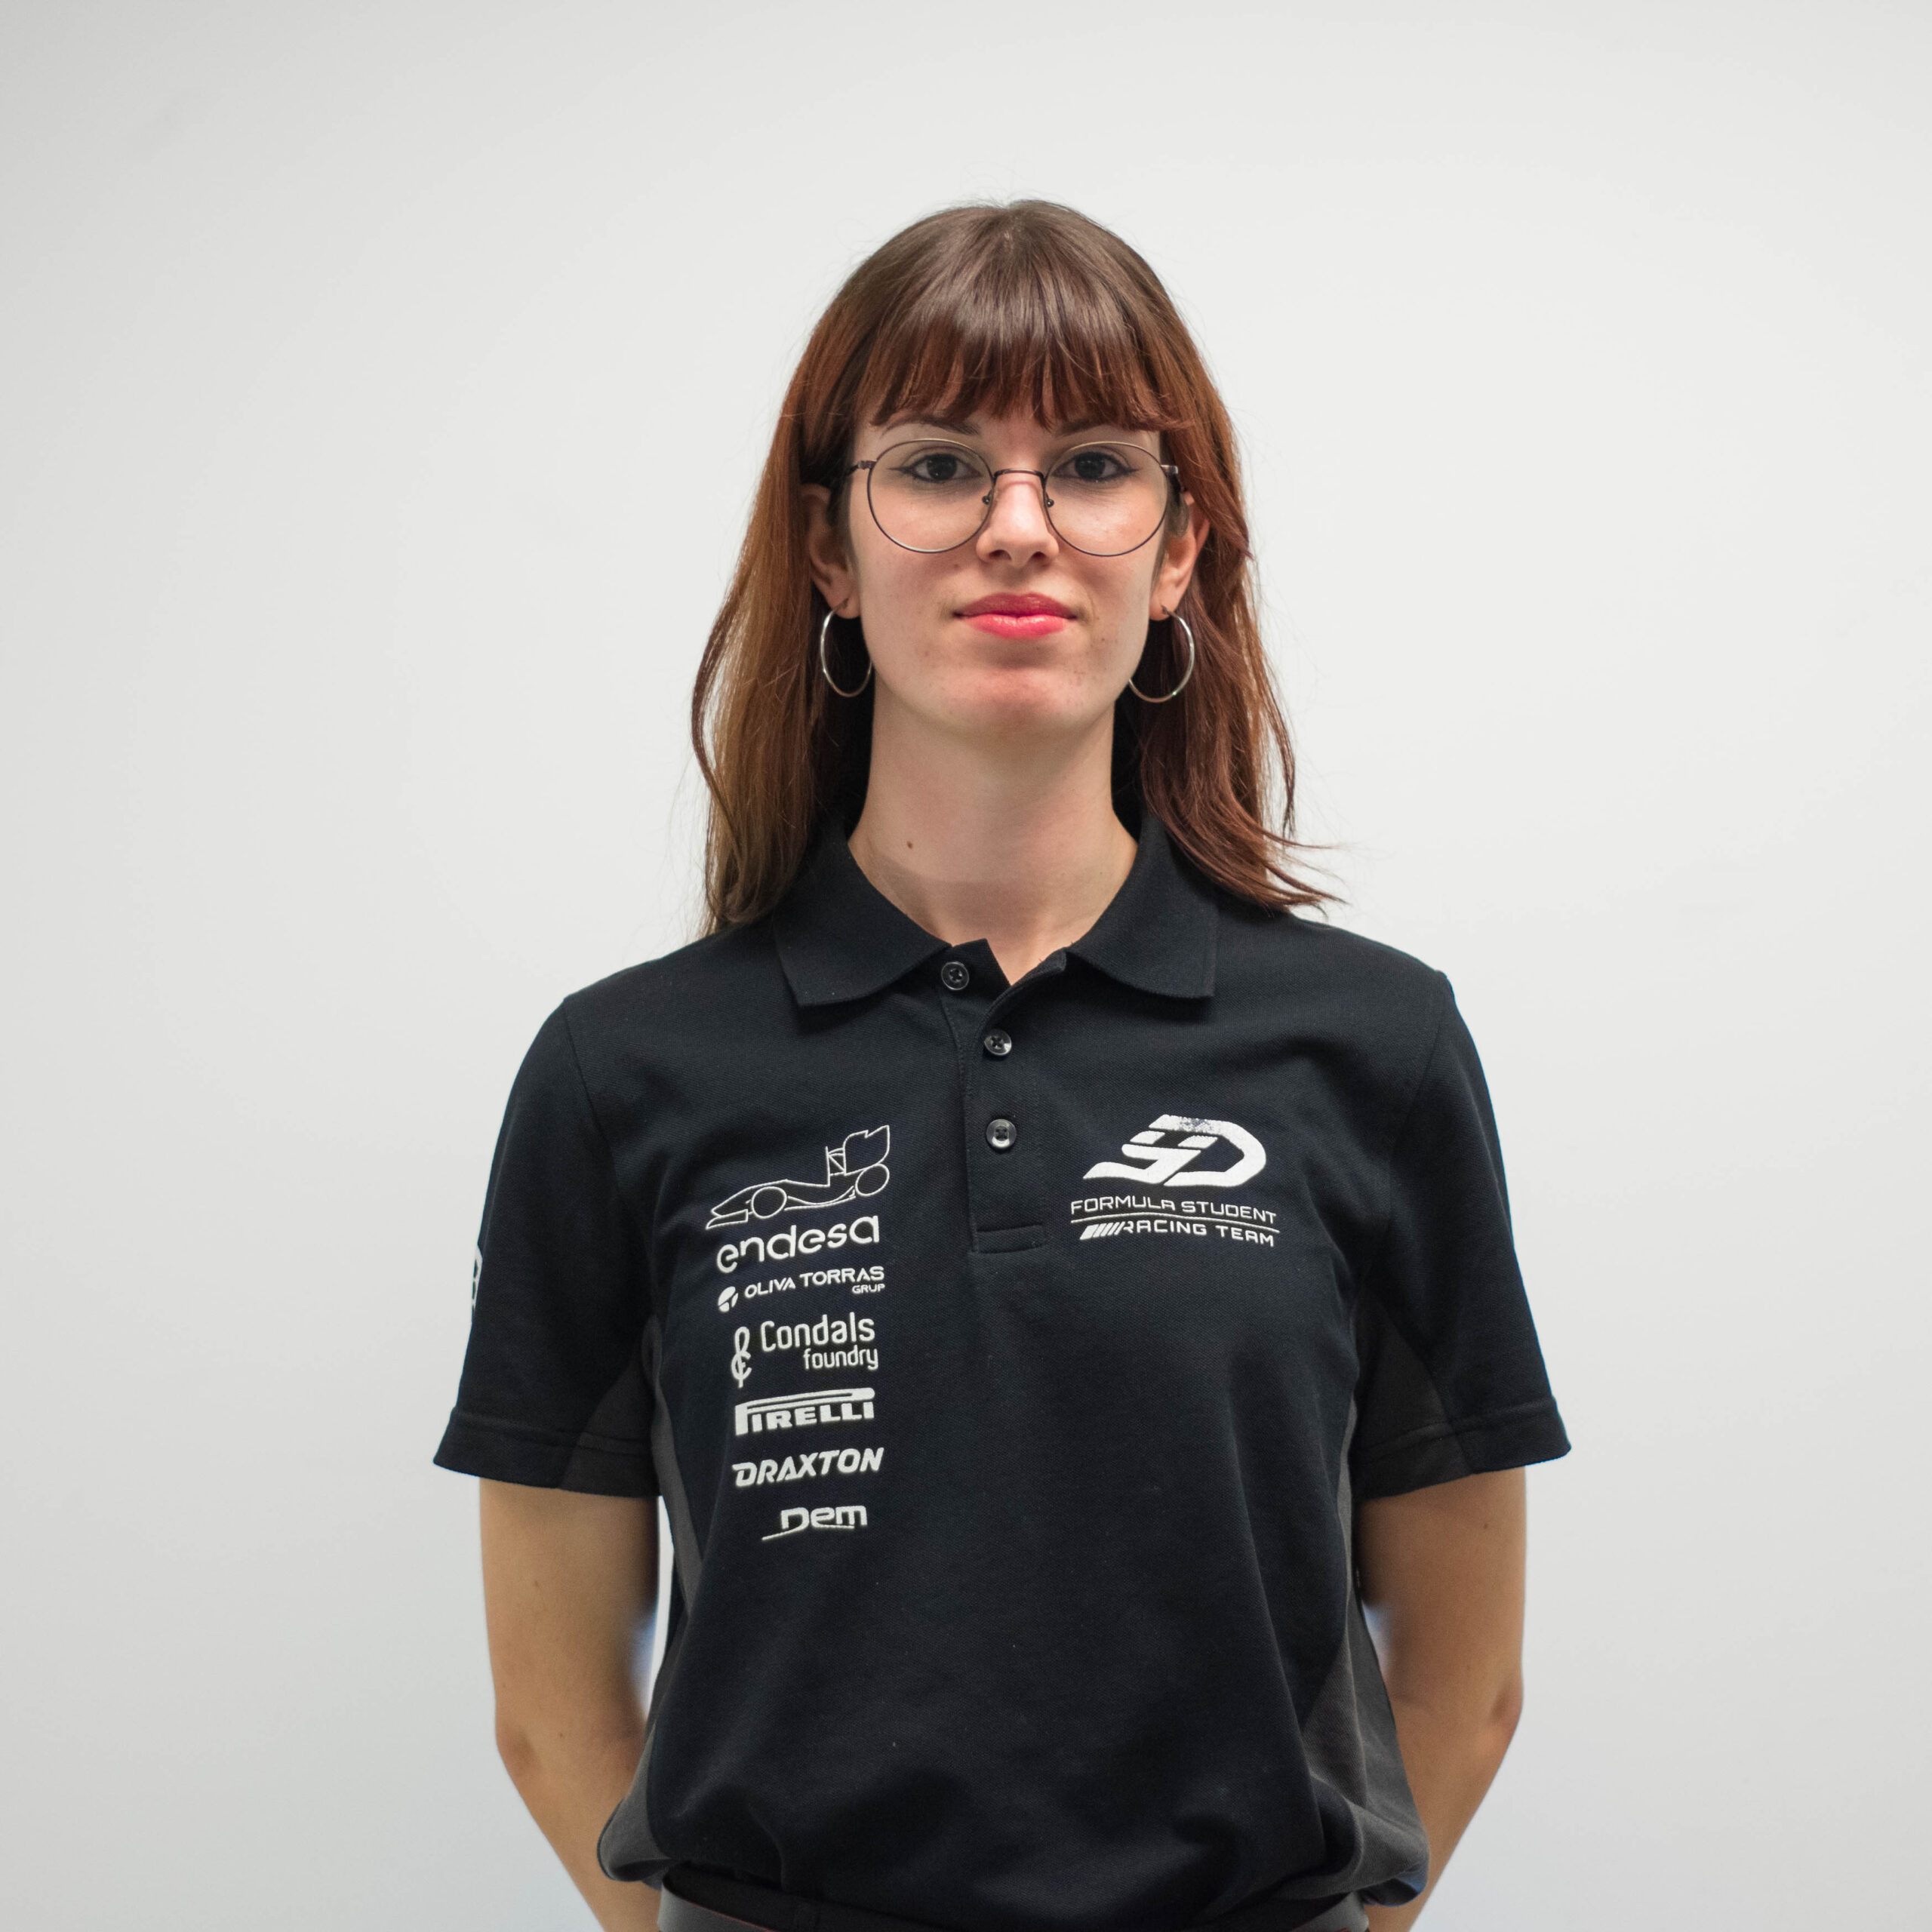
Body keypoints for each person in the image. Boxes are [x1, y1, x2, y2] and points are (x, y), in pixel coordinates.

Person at [434, 200, 1570, 1932]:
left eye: (1094, 466)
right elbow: (551, 1704)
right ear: (829, 548)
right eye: (939, 465)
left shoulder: (1373, 1047)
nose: (1016, 526)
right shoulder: (622, 1072)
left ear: (1178, 550)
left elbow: (1461, 1685)